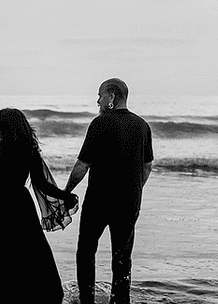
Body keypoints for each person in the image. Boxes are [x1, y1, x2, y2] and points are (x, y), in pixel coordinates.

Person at [0, 108, 79, 303]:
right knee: (24, 254)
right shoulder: (28, 151)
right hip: (20, 208)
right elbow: (43, 185)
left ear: (2, 127)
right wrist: (65, 196)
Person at [64, 78, 153, 304]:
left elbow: (82, 165)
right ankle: (120, 300)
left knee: (86, 252)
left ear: (111, 96)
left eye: (100, 95)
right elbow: (147, 166)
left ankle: (87, 300)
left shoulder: (100, 123)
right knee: (122, 257)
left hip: (99, 201)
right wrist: (135, 189)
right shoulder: (142, 125)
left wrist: (66, 191)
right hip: (129, 202)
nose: (98, 100)